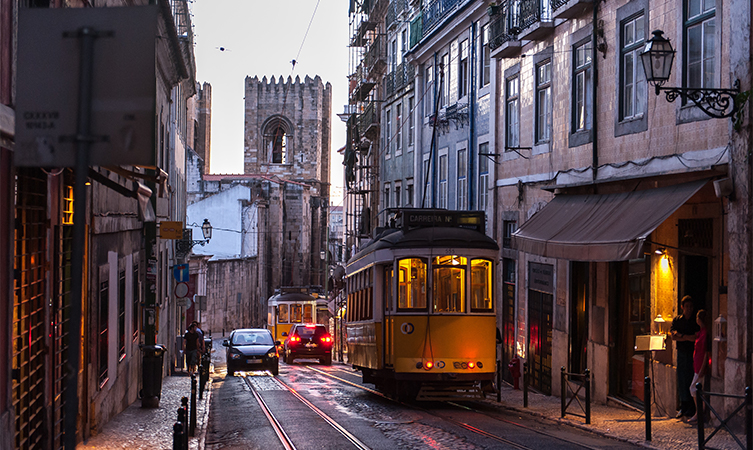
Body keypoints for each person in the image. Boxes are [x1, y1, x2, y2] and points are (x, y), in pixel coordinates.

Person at [670, 295, 700, 420]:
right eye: (686, 306)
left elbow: (695, 338)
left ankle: (691, 408)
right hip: (681, 353)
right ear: (682, 307)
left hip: (692, 353)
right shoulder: (677, 320)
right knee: (681, 378)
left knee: (690, 378)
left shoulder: (695, 322)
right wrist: (687, 337)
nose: (688, 309)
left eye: (690, 307)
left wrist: (681, 336)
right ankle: (683, 406)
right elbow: (673, 335)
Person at [687, 309, 710, 424]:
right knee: (697, 389)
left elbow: (706, 352)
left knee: (694, 388)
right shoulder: (700, 332)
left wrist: (702, 367)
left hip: (701, 364)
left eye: (697, 317)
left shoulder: (705, 333)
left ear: (700, 319)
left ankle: (699, 413)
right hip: (697, 363)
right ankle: (700, 412)